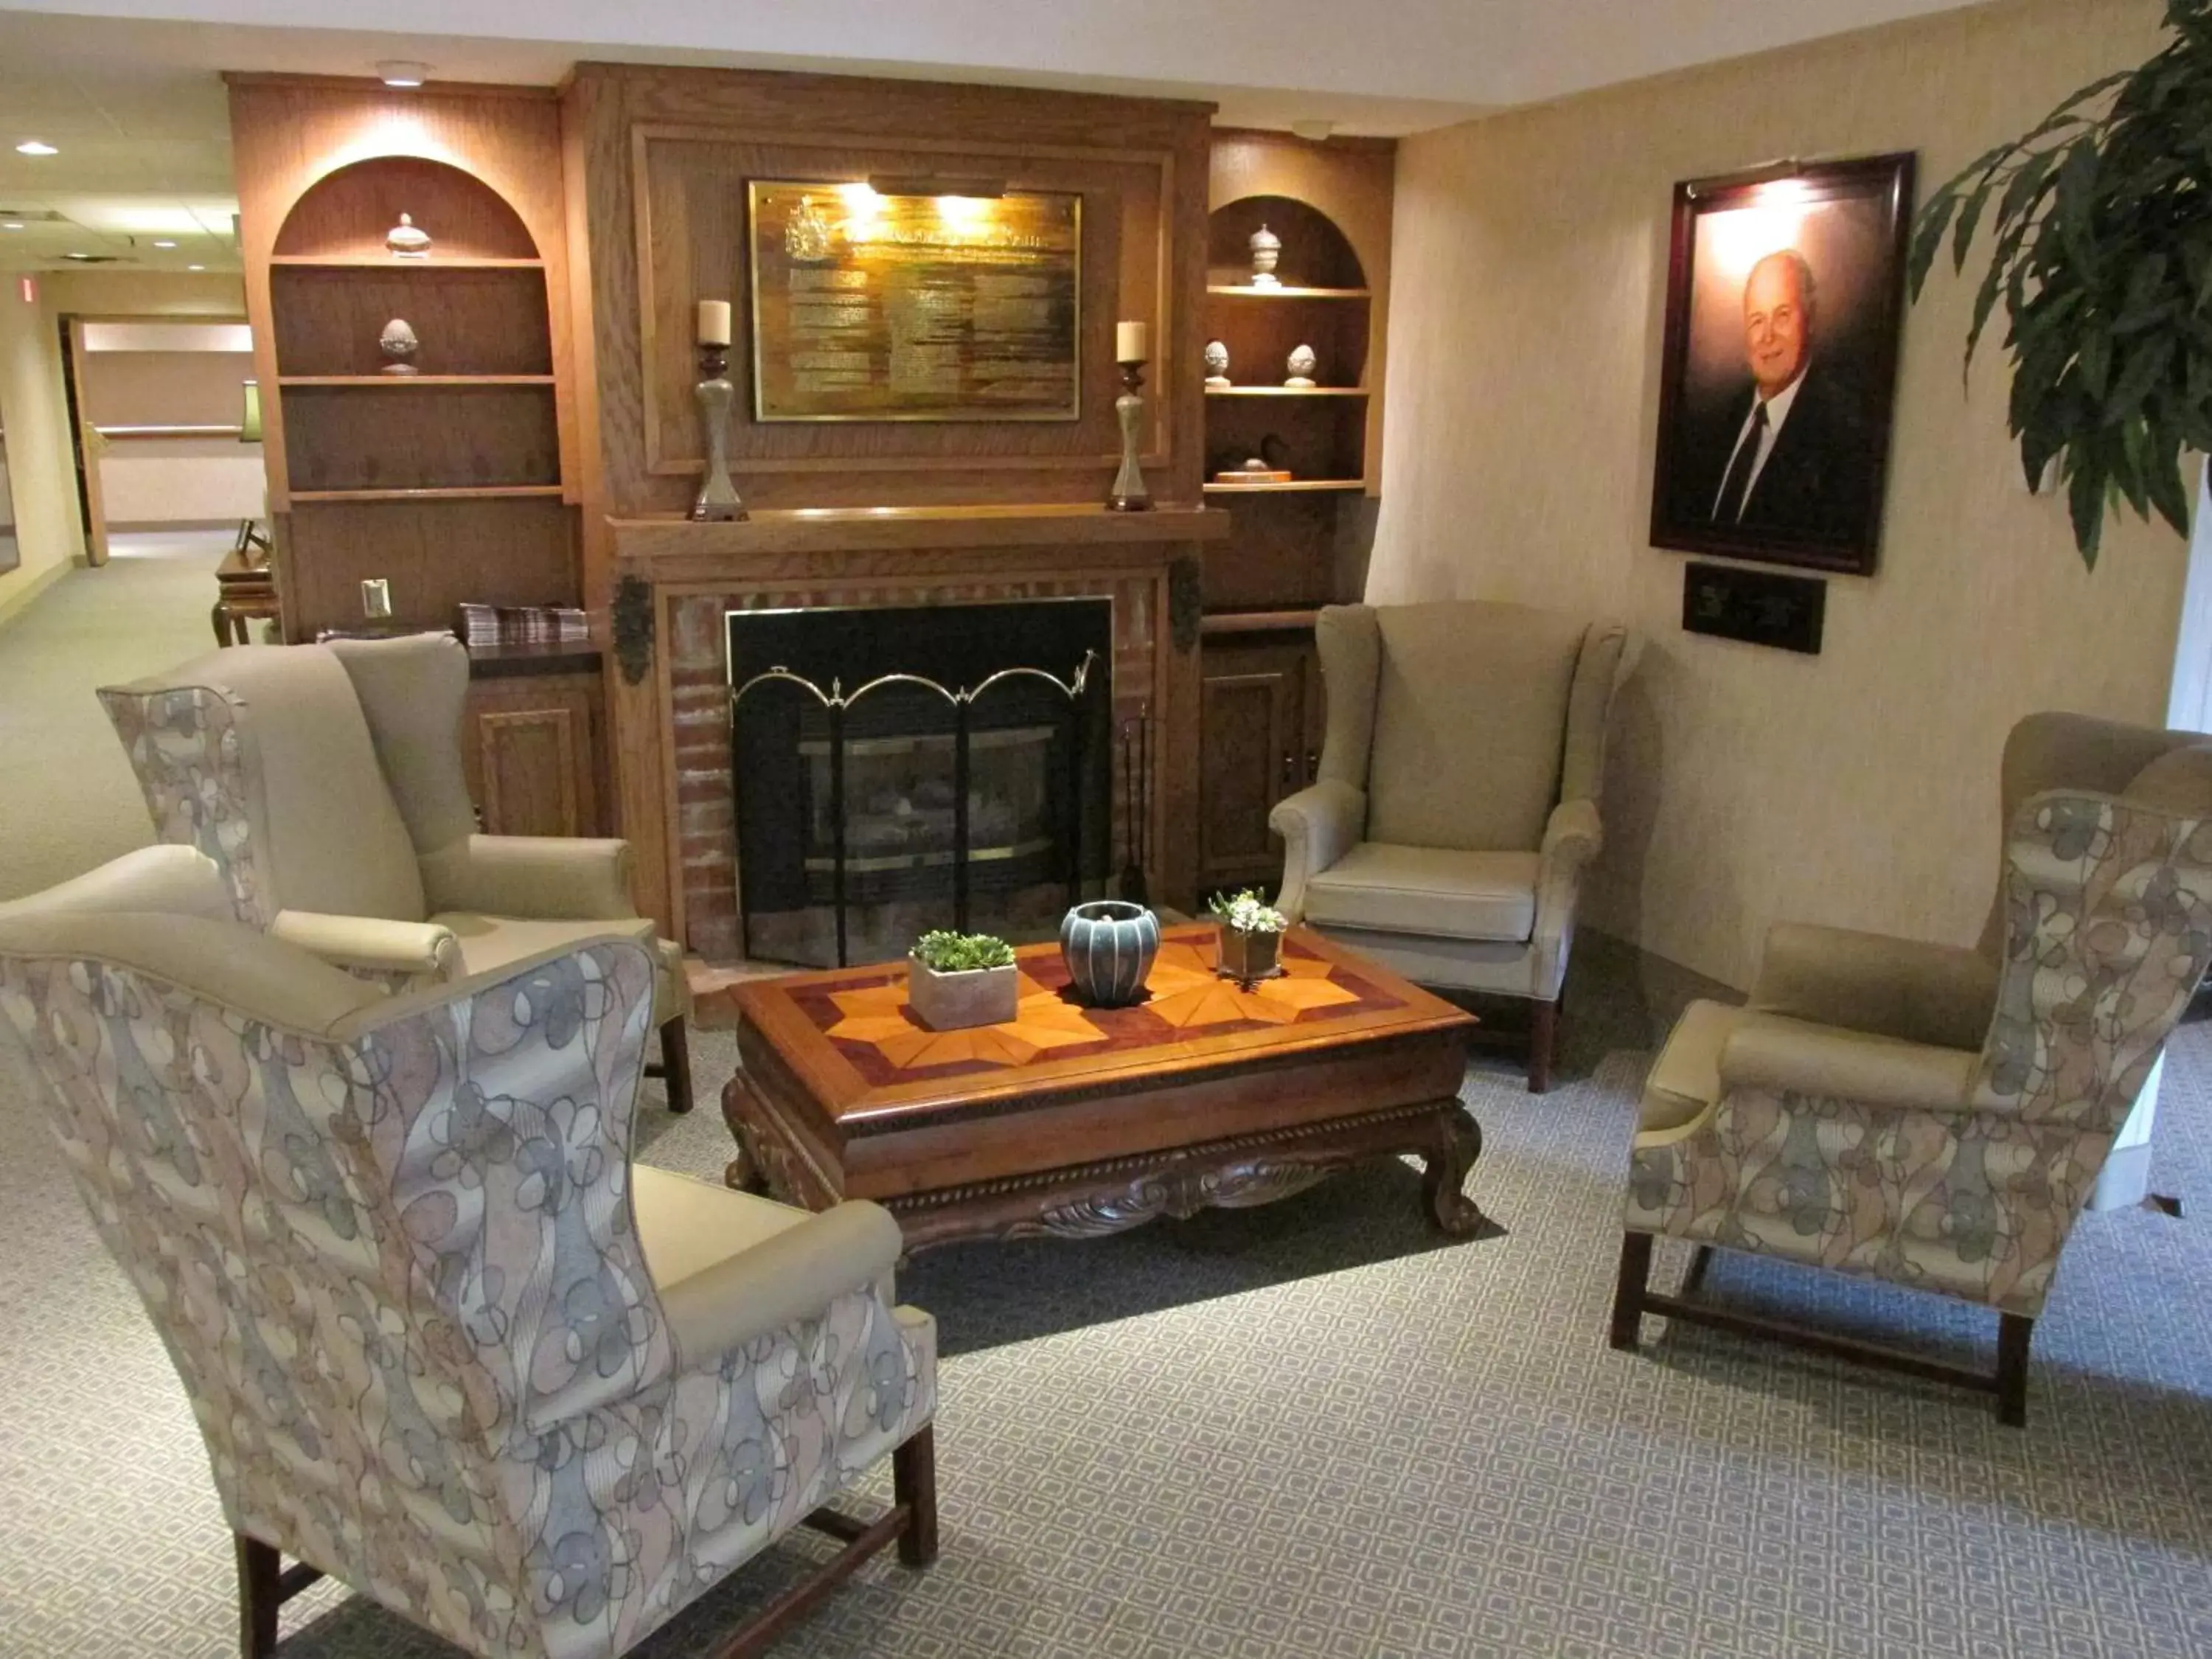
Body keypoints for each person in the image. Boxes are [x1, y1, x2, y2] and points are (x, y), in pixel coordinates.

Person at [1683, 248, 1872, 546]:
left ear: (1809, 319)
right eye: (1757, 320)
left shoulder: (1843, 434)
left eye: (1782, 315)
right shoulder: (1714, 423)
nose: (1767, 336)